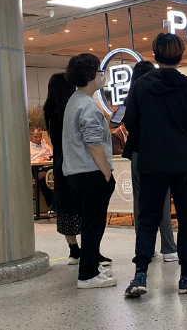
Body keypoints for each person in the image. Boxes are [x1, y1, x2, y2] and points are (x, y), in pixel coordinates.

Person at [123, 33, 187, 298]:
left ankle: (140, 275)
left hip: (152, 161)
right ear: (181, 54)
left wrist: (148, 140)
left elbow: (130, 121)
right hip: (184, 160)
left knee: (148, 217)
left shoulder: (141, 85)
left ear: (155, 53)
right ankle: (186, 277)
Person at [62, 53, 116, 289]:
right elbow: (93, 143)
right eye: (100, 71)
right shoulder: (88, 106)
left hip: (75, 173)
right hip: (91, 173)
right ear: (92, 75)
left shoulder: (74, 100)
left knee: (89, 225)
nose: (102, 76)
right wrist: (106, 171)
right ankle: (87, 275)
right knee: (94, 226)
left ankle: (91, 268)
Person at [122, 60, 178, 263]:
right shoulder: (159, 94)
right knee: (162, 199)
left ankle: (144, 248)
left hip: (137, 153)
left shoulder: (132, 97)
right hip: (158, 153)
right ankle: (169, 248)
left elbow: (128, 123)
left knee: (140, 201)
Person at [43, 73, 84, 266]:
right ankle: (92, 251)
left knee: (66, 207)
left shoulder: (50, 111)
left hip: (59, 162)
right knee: (85, 207)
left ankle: (74, 251)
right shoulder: (72, 110)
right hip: (75, 161)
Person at [29, 126, 54, 209]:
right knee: (45, 178)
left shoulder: (46, 146)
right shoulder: (28, 148)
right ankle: (50, 205)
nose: (38, 139)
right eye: (35, 137)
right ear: (30, 137)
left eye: (40, 136)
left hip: (50, 166)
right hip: (38, 169)